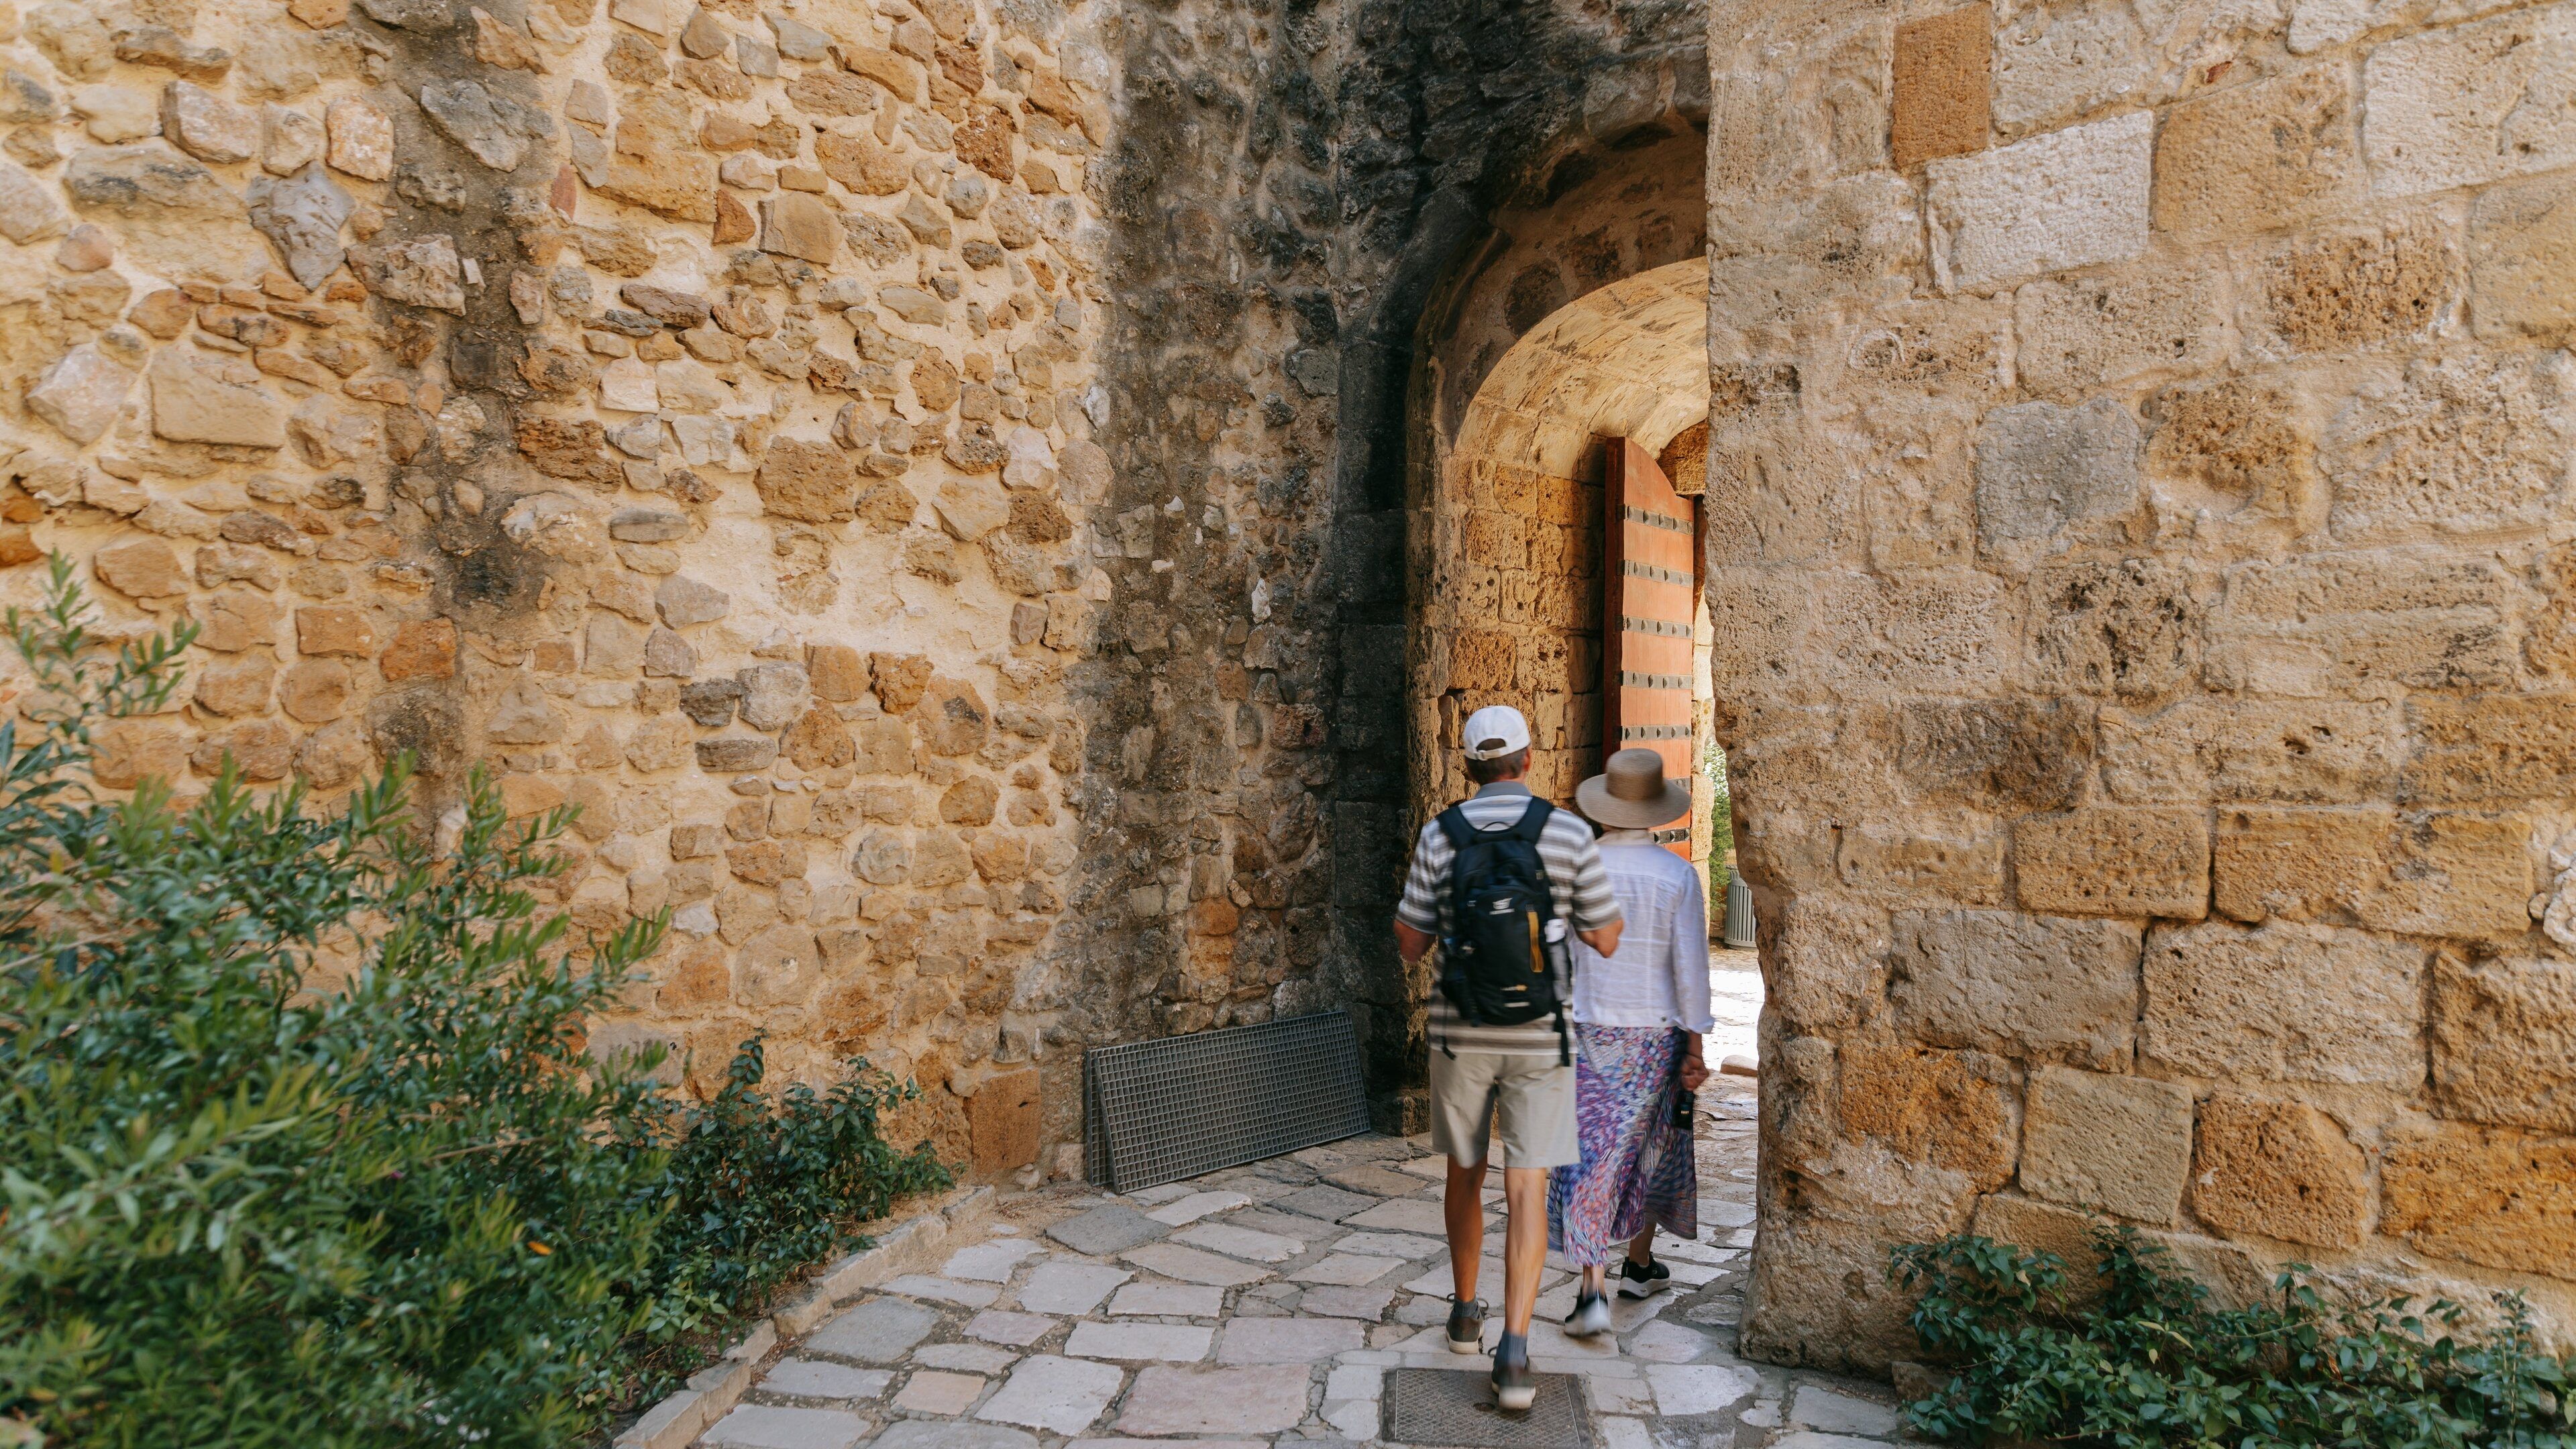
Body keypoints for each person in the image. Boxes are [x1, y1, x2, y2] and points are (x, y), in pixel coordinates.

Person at [1394, 705, 1623, 1411]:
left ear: (1468, 769)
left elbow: (1410, 942)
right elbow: (1607, 937)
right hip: (1540, 1036)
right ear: (1528, 761)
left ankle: (1466, 1313)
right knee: (1526, 1184)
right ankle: (1516, 1352)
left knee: (1466, 1169)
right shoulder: (1564, 832)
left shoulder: (1440, 835)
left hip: (1461, 1033)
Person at [1549, 747, 1713, 1338]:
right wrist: (1695, 1049)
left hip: (1591, 1031)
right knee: (1651, 1151)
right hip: (1656, 1037)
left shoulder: (1578, 867)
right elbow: (1690, 970)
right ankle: (1632, 1268)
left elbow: (1561, 958)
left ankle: (1607, 1282)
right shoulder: (1677, 875)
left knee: (1593, 1158)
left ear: (1604, 807)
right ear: (1656, 811)